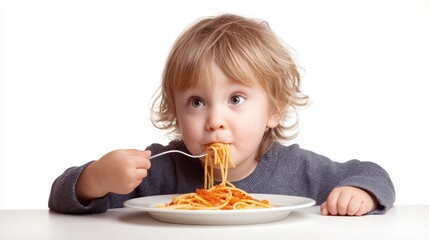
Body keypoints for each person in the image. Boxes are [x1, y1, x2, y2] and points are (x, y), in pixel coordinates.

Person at [48, 14, 395, 216]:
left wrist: (359, 192)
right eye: (196, 102)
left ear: (273, 109)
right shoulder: (158, 170)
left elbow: (372, 174)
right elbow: (60, 200)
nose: (214, 120)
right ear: (176, 111)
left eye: (236, 98)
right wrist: (96, 179)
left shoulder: (298, 169)